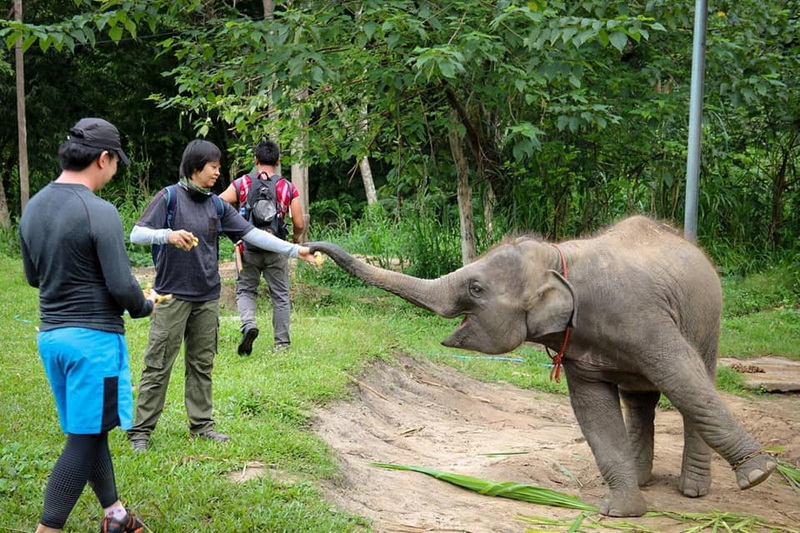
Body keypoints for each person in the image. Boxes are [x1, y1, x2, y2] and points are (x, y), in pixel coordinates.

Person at [127, 139, 316, 451]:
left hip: (207, 296)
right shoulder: (169, 197)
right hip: (172, 296)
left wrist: (295, 250)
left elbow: (252, 234)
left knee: (202, 364)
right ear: (195, 167)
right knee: (158, 365)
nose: (217, 172)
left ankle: (202, 425)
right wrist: (167, 235)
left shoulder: (216, 204)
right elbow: (137, 234)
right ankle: (141, 432)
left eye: (218, 167)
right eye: (213, 167)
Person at [20, 118, 157, 533]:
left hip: (53, 338)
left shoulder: (34, 206)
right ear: (103, 158)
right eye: (115, 163)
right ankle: (47, 529)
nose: (114, 171)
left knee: (91, 430)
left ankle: (116, 516)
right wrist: (145, 305)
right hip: (92, 345)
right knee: (83, 441)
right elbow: (122, 285)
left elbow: (33, 277)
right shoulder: (99, 211)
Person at [219, 139, 306, 355]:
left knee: (246, 290)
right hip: (276, 248)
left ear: (255, 160)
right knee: (280, 296)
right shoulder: (287, 187)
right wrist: (295, 240)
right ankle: (282, 344)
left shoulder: (242, 183)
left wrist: (235, 228)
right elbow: (299, 223)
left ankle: (249, 324)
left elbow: (218, 204)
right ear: (277, 161)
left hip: (248, 248)